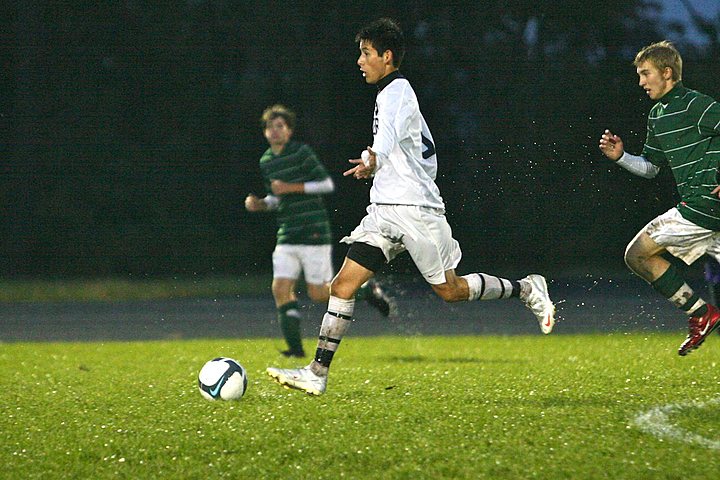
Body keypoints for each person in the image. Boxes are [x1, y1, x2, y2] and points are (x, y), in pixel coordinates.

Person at [266, 18, 556, 396]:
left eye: (366, 53)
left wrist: (374, 157)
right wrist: (378, 163)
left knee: (450, 291)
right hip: (385, 210)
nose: (359, 60)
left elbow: (386, 138)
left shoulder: (398, 90)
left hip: (416, 210)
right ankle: (316, 374)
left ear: (387, 57)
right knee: (343, 285)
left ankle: (526, 288)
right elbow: (401, 144)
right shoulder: (389, 94)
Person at [599, 40, 720, 356]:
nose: (641, 82)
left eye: (645, 74)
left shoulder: (697, 105)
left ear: (667, 73)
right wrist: (622, 157)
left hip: (702, 208)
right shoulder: (657, 116)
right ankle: (702, 312)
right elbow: (652, 168)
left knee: (637, 254)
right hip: (704, 211)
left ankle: (700, 313)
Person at [245, 104, 394, 358]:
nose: (275, 131)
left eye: (280, 126)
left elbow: (326, 184)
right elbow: (276, 197)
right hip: (287, 233)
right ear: (264, 132)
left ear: (289, 130)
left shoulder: (301, 153)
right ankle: (295, 349)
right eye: (270, 127)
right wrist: (261, 204)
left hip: (313, 231)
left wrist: (291, 188)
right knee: (280, 288)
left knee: (318, 292)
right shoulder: (266, 161)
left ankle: (367, 289)